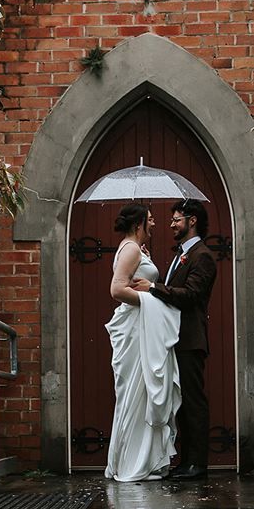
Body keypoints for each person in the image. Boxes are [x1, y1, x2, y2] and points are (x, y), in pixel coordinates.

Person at [136, 198, 216, 481]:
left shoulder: (202, 255)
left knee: (193, 400)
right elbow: (174, 288)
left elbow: (191, 295)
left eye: (176, 219)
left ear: (192, 220)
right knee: (179, 401)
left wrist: (153, 288)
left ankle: (197, 464)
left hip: (190, 339)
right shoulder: (181, 254)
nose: (171, 224)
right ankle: (185, 461)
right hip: (174, 338)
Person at [104, 203, 181, 482]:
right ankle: (134, 463)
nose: (155, 223)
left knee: (144, 393)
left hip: (144, 326)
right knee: (138, 392)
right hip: (137, 329)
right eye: (150, 219)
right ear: (138, 224)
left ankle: (144, 459)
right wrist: (152, 300)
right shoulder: (131, 249)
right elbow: (117, 289)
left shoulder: (135, 249)